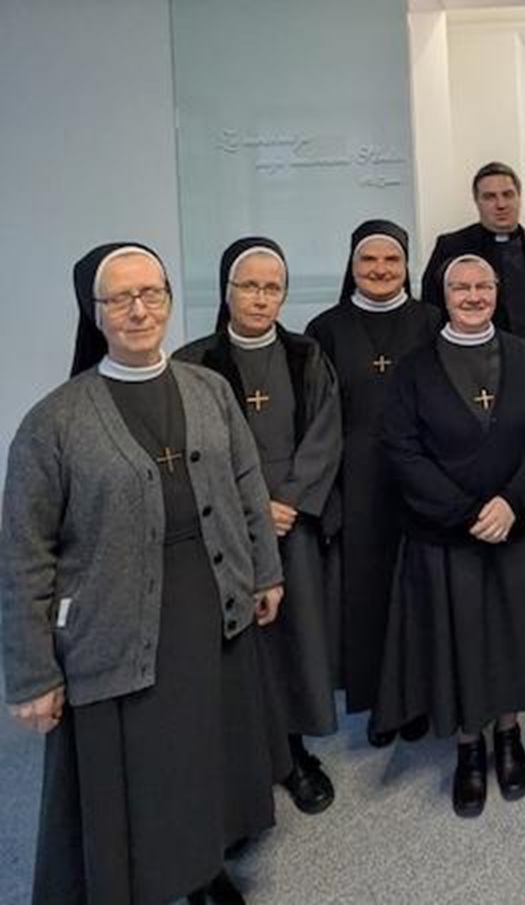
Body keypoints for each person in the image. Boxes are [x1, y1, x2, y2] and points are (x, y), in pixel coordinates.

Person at [2, 243, 286, 903]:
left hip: (210, 599)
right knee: (150, 761)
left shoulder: (209, 389)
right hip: (118, 621)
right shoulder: (53, 422)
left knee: (208, 744)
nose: (139, 310)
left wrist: (264, 573)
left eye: (152, 293)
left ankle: (206, 866)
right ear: (93, 311)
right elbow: (24, 553)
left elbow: (247, 485)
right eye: (120, 298)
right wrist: (32, 673)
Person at [375, 255, 525, 818]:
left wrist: (512, 502)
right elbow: (402, 450)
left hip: (515, 526)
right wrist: (467, 512)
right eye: (460, 287)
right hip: (447, 534)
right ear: (443, 295)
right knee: (461, 639)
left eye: (482, 287)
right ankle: (469, 745)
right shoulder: (415, 368)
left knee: (513, 634)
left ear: (496, 291)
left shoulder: (522, 354)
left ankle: (508, 734)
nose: (471, 296)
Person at [176, 237, 343, 815]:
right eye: (249, 286)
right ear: (227, 291)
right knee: (239, 638)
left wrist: (288, 500)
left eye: (273, 288)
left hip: (292, 522)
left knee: (294, 634)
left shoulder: (306, 355)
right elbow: (190, 450)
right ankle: (243, 753)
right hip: (223, 524)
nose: (261, 298)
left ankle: (293, 751)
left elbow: (325, 434)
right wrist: (250, 507)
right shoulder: (193, 364)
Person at [306, 219, 438, 747]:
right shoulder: (325, 328)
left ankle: (421, 698)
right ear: (352, 265)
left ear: (406, 265)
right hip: (355, 481)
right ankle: (379, 705)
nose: (380, 269)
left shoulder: (431, 319)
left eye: (391, 260)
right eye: (368, 260)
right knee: (366, 597)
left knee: (421, 589)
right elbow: (316, 418)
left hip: (421, 478)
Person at [422, 162, 525, 366]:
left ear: (519, 197)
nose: (501, 204)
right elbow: (433, 312)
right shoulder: (451, 247)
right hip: (472, 366)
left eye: (508, 194)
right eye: (489, 197)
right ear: (476, 201)